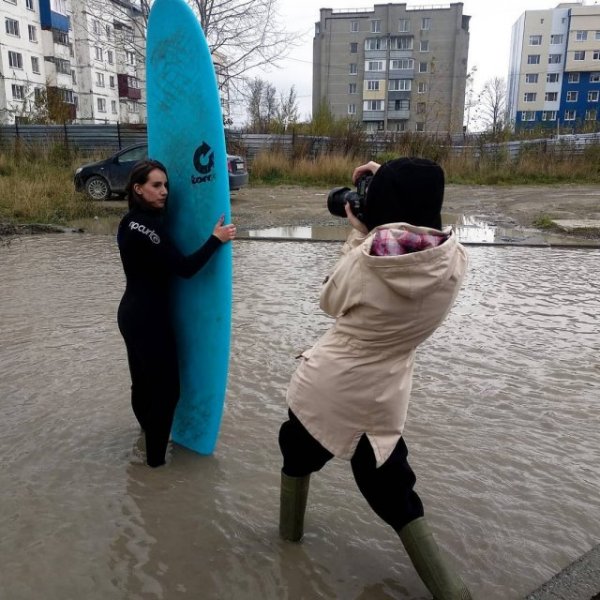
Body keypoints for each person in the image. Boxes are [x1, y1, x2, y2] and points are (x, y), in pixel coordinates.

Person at [278, 157, 472, 599]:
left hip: (329, 386)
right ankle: (452, 592)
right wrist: (388, 182)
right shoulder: (454, 260)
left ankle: (287, 541)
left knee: (295, 450)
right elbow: (416, 222)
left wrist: (358, 233)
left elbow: (329, 299)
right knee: (394, 492)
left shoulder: (367, 263)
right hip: (384, 394)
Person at [117, 159, 236, 468]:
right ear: (138, 188)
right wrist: (215, 240)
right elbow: (184, 268)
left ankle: (146, 438)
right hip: (148, 321)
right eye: (156, 185)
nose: (165, 191)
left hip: (132, 314)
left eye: (166, 185)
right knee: (168, 393)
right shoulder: (150, 230)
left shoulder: (129, 221)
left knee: (142, 385)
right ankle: (155, 465)